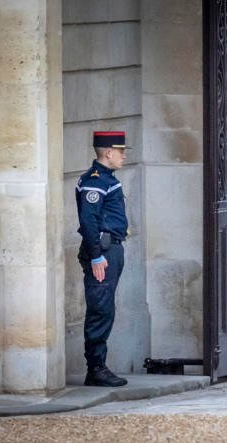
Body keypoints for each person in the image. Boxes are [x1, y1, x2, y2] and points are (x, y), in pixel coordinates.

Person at [76, 131, 130, 387]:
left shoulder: (107, 179)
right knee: (100, 309)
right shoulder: (95, 182)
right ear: (108, 152)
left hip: (111, 251)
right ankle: (96, 368)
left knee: (105, 308)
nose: (124, 156)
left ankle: (98, 366)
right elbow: (88, 222)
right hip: (103, 254)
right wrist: (97, 257)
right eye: (121, 151)